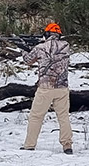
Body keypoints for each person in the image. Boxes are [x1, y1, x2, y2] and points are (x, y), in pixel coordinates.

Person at [20, 22, 73, 154]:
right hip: (62, 87)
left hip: (45, 88)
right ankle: (67, 145)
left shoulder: (40, 47)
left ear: (46, 34)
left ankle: (29, 145)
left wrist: (23, 48)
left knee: (36, 117)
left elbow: (27, 60)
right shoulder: (66, 46)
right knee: (63, 117)